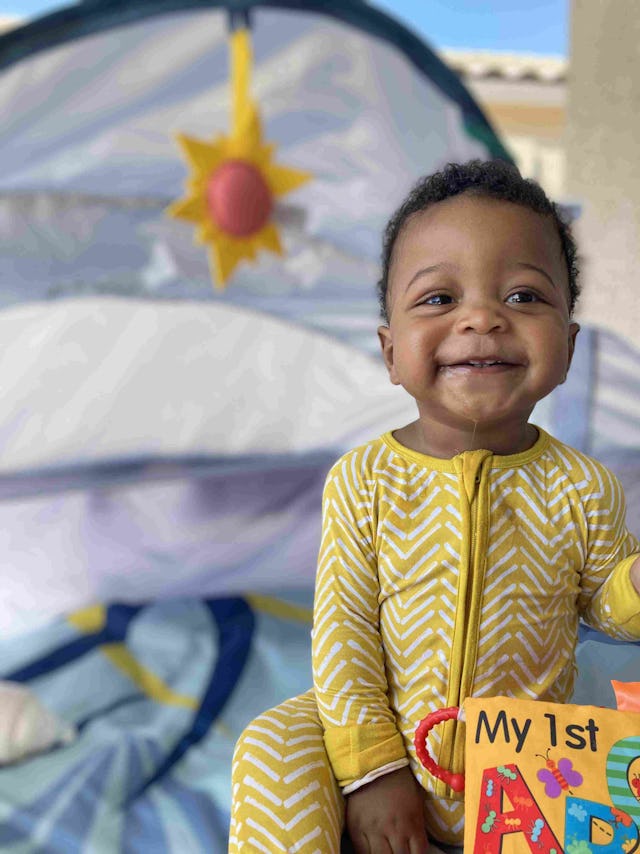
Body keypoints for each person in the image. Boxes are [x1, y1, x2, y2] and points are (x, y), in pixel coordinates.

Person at [228, 160, 640, 854]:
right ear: (392, 353)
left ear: (566, 348)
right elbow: (344, 633)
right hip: (381, 730)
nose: (482, 317)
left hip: (521, 767)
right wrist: (371, 773)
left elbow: (608, 599)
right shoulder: (365, 481)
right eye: (439, 299)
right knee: (271, 744)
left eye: (523, 295)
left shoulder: (582, 486)